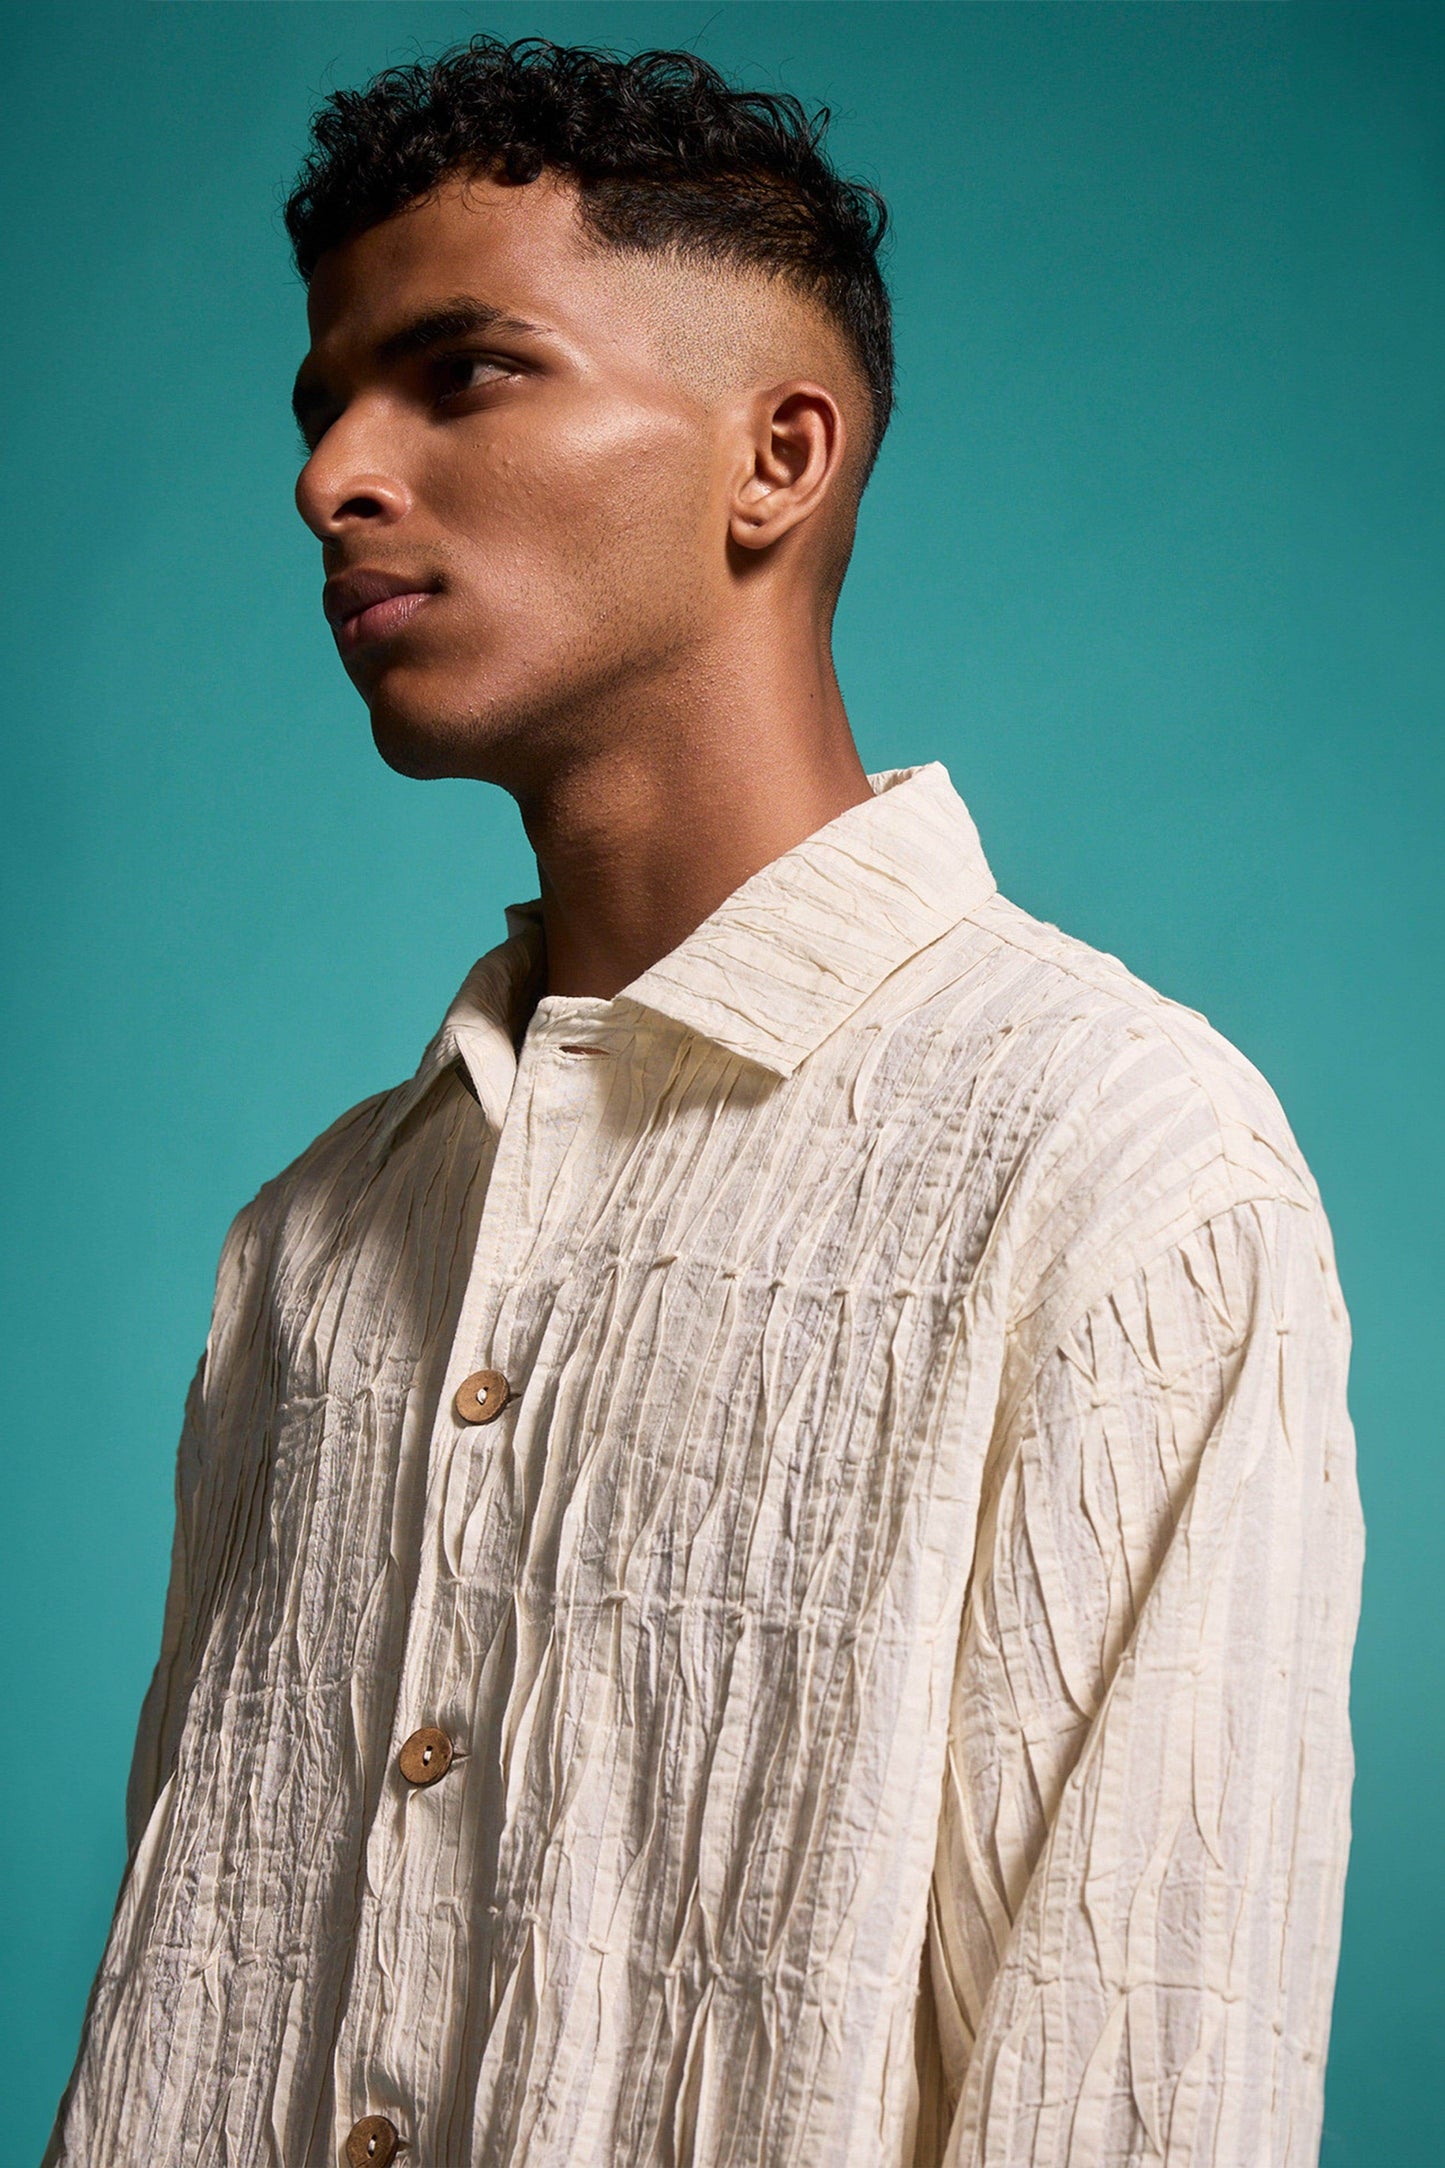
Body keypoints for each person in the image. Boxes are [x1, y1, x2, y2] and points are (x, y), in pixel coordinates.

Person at [43, 37, 1363, 2168]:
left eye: (462, 373)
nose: (333, 479)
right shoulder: (307, 1247)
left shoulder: (1121, 1167)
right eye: (320, 408)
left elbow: (1136, 2087)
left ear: (778, 457)